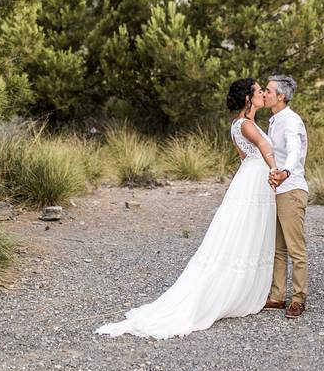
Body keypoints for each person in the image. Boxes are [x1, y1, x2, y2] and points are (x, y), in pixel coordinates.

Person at [94, 79, 278, 339]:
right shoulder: (246, 125)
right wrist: (274, 170)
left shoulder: (238, 125)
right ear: (248, 98)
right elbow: (264, 148)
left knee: (244, 232)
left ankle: (244, 288)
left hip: (248, 179)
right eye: (259, 91)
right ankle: (232, 293)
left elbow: (245, 157)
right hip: (254, 181)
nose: (262, 94)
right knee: (245, 232)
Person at [261, 74, 309, 319]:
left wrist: (285, 171)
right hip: (278, 191)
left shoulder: (290, 121)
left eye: (268, 90)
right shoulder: (275, 120)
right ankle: (278, 296)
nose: (264, 94)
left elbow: (294, 150)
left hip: (291, 190)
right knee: (278, 248)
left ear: (280, 96)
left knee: (295, 249)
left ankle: (298, 299)